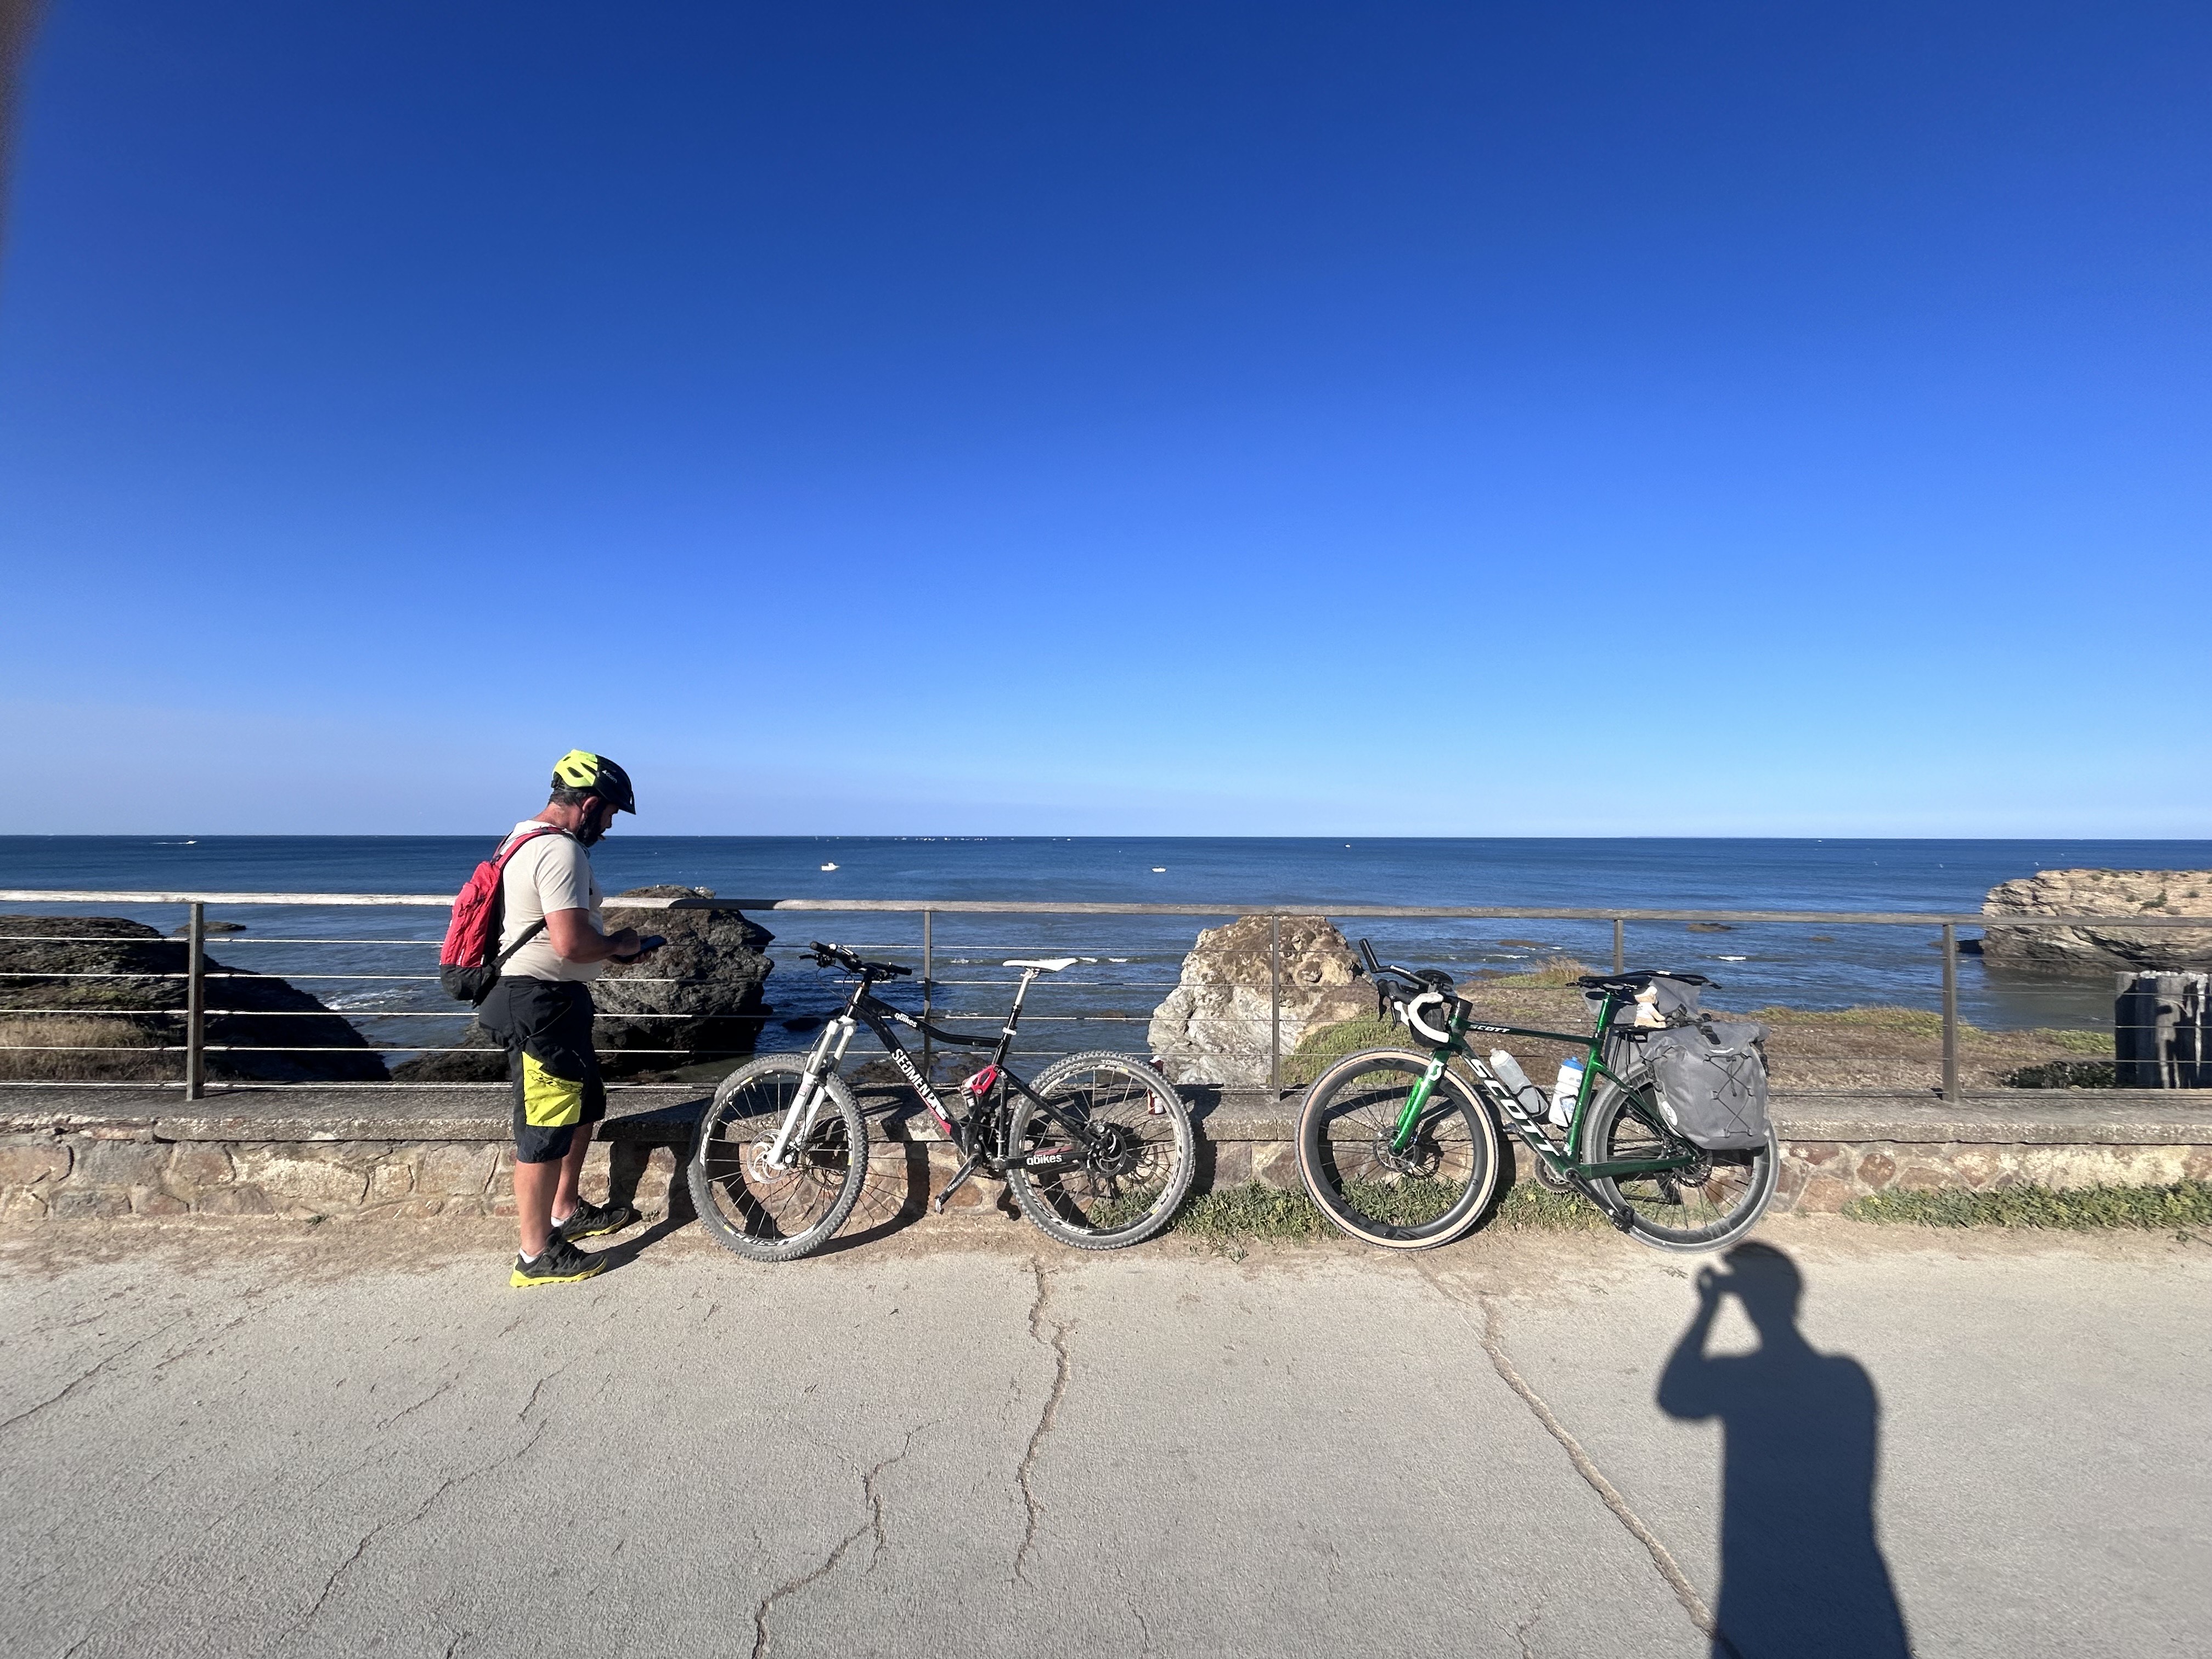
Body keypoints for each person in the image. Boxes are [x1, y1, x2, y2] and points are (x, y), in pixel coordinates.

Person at [479, 749, 660, 1288]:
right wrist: (621, 943)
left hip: (552, 1000)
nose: (608, 826)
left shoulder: (519, 839)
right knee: (543, 1128)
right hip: (538, 1006)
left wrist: (608, 949)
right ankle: (535, 1255)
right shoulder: (560, 852)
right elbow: (572, 942)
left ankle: (565, 1209)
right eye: (607, 815)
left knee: (582, 1107)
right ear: (587, 804)